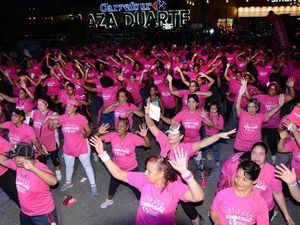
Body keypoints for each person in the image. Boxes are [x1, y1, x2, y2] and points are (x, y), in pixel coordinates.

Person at [145, 101, 236, 225]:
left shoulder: (185, 148)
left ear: (181, 136)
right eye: (169, 132)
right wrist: (147, 114)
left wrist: (219, 135)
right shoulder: (164, 141)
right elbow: (151, 126)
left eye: (174, 134)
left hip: (177, 183)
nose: (170, 135)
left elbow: (202, 143)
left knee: (188, 208)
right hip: (161, 181)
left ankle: (196, 220)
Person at [90, 135, 204, 225]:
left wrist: (185, 173)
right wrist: (102, 153)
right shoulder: (144, 180)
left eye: (149, 171)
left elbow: (198, 197)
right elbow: (118, 174)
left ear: (161, 174)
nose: (145, 173)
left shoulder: (174, 188)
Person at [45, 100, 98, 196]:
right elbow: (53, 126)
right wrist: (51, 125)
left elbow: (89, 130)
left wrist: (85, 136)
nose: (67, 108)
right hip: (68, 148)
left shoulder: (81, 118)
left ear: (75, 108)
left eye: (70, 107)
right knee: (69, 166)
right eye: (66, 107)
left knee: (87, 166)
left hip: (82, 147)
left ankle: (93, 186)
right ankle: (68, 182)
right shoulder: (64, 117)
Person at [96, 118, 150, 208]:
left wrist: (145, 136)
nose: (118, 128)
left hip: (132, 168)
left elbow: (147, 145)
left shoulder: (132, 137)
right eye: (118, 125)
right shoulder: (112, 135)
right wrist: (99, 132)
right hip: (116, 169)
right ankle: (109, 200)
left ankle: (144, 204)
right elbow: (95, 140)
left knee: (136, 188)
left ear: (127, 127)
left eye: (121, 126)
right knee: (112, 186)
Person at [0, 142, 58, 225]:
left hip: (43, 214)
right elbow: (3, 160)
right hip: (25, 213)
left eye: (14, 158)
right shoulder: (18, 166)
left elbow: (54, 181)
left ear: (21, 160)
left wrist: (32, 168)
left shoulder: (40, 168)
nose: (13, 159)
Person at [210, 160, 269, 225]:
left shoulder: (260, 204)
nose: (239, 182)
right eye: (237, 177)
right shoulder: (223, 194)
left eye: (244, 179)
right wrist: (217, 222)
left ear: (255, 181)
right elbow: (214, 211)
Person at [234, 79, 285, 153]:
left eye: (253, 107)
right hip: (240, 145)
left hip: (255, 146)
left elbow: (269, 113)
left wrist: (279, 106)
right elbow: (237, 107)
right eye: (249, 107)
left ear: (257, 108)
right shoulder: (242, 114)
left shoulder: (260, 117)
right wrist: (240, 94)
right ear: (246, 108)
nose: (251, 109)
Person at [250, 142, 295, 224]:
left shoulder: (272, 172)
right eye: (254, 153)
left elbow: (278, 194)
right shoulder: (245, 168)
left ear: (266, 155)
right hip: (247, 208)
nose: (257, 157)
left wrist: (286, 215)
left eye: (261, 154)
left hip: (265, 210)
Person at [30, 98, 62, 180]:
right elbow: (23, 115)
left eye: (41, 104)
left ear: (47, 104)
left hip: (51, 141)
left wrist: (49, 117)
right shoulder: (35, 112)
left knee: (54, 158)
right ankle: (46, 173)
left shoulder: (53, 113)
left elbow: (63, 118)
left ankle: (58, 172)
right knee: (42, 159)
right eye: (38, 104)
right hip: (38, 142)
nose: (39, 106)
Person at [0, 136, 19, 206]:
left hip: (6, 173)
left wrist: (4, 157)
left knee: (17, 195)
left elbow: (13, 151)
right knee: (12, 194)